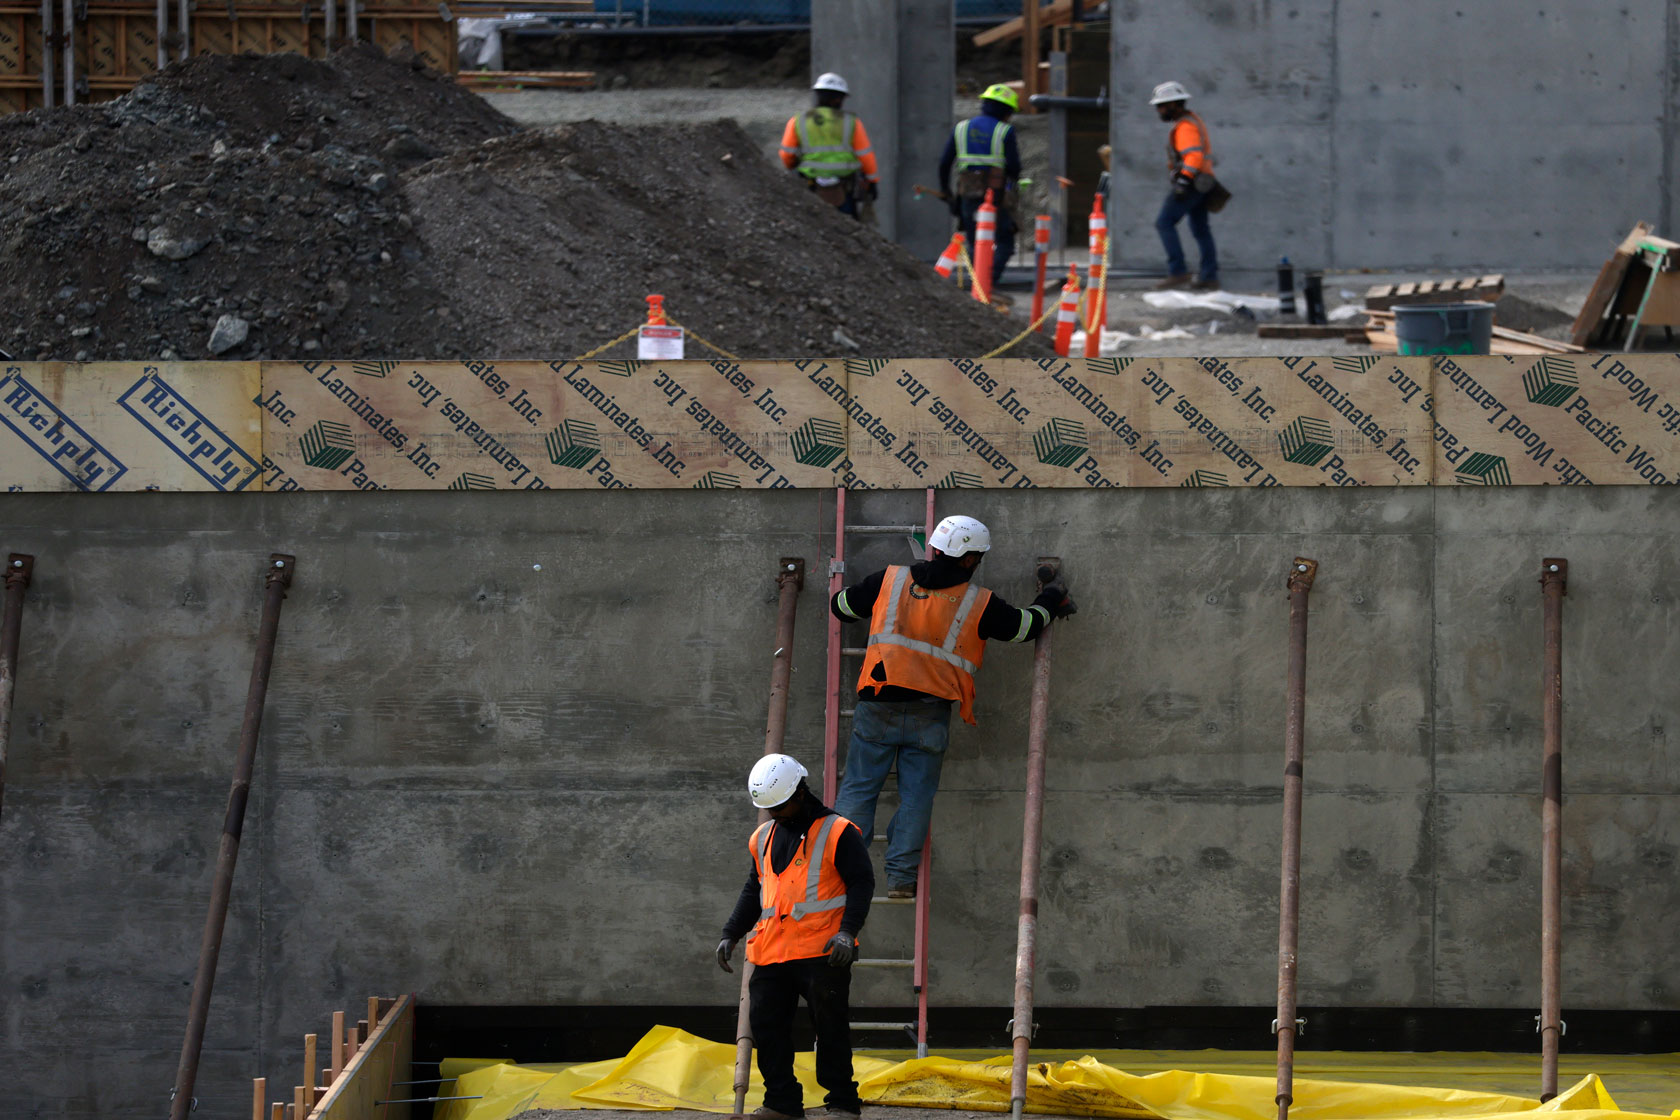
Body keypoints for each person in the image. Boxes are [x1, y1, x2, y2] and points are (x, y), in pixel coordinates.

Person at [829, 516, 1075, 898]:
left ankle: (840, 872)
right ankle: (901, 878)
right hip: (930, 713)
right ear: (968, 559)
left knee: (859, 790)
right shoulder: (979, 602)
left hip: (877, 706)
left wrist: (862, 592)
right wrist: (1050, 596)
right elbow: (1026, 627)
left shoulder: (889, 580)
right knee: (916, 797)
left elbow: (841, 607)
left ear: (937, 548)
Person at [718, 754, 873, 1120]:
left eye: (779, 805)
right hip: (772, 950)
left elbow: (862, 884)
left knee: (830, 1026)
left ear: (800, 793)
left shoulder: (838, 832)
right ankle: (782, 1102)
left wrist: (847, 933)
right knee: (766, 1025)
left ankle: (842, 1102)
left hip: (823, 950)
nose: (774, 813)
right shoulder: (763, 838)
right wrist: (731, 933)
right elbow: (753, 889)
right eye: (768, 808)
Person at [938, 84, 1022, 293]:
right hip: (996, 195)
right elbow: (1014, 168)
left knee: (975, 242)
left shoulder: (961, 128)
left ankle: (978, 287)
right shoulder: (1004, 131)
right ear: (1005, 111)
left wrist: (946, 192)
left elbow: (944, 164)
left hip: (968, 193)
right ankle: (987, 285)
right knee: (1005, 241)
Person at [780, 73, 880, 218]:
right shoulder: (851, 122)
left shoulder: (798, 121)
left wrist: (792, 165)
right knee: (847, 225)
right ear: (838, 98)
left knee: (812, 223)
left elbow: (786, 154)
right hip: (844, 186)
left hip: (811, 184)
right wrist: (872, 181)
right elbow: (865, 155)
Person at [1150, 80, 1219, 290]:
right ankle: (1209, 276)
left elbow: (1194, 156)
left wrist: (1183, 181)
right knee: (1200, 229)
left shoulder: (1185, 127)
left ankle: (1178, 272)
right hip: (1203, 183)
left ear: (1175, 104)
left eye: (1162, 105)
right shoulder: (1190, 121)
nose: (1159, 110)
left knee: (1164, 222)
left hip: (1192, 183)